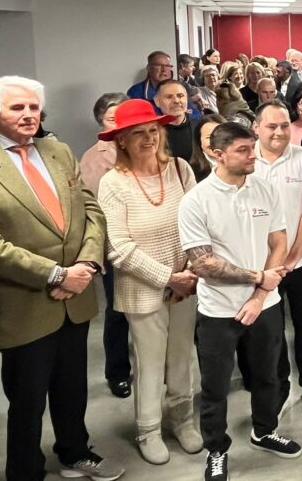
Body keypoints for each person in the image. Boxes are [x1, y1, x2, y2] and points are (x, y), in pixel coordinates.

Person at [0, 76, 124, 480]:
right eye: (18, 108)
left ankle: (74, 451)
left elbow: (92, 211)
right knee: (27, 399)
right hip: (24, 302)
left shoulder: (57, 151)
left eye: (34, 107)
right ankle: (24, 470)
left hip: (76, 296)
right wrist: (56, 274)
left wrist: (86, 266)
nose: (29, 115)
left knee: (73, 387)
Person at [179, 122, 302, 481]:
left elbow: (279, 242)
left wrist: (261, 293)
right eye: (243, 150)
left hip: (265, 304)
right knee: (214, 387)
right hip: (218, 310)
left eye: (253, 148)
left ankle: (264, 430)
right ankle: (216, 448)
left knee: (267, 376)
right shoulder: (196, 201)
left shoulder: (264, 188)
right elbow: (202, 263)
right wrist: (255, 279)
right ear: (217, 154)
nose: (253, 156)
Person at [97, 99, 201, 464]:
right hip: (142, 288)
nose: (148, 138)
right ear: (121, 140)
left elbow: (197, 224)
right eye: (137, 133)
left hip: (186, 284)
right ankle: (148, 429)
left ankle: (183, 420)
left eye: (153, 130)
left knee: (182, 357)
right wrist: (167, 277)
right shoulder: (113, 183)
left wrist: (188, 274)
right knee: (150, 362)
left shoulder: (179, 168)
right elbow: (118, 248)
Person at [249, 101, 302, 418]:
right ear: (257, 128)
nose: (279, 132)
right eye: (271, 126)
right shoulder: (246, 159)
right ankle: (280, 388)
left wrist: (293, 257)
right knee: (270, 331)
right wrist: (269, 264)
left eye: (284, 125)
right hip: (261, 265)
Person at [78, 93, 132, 394]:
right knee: (118, 310)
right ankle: (118, 371)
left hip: (149, 241)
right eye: (112, 117)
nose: (117, 122)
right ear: (101, 120)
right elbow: (91, 208)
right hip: (116, 245)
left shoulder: (140, 145)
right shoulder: (92, 157)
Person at [154, 80, 198, 162]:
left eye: (180, 96)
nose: (176, 101)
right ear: (157, 102)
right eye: (169, 97)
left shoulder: (200, 126)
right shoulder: (153, 132)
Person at [190, 114, 226, 182]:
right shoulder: (192, 170)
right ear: (199, 141)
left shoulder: (240, 162)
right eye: (209, 137)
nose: (214, 141)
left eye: (220, 136)